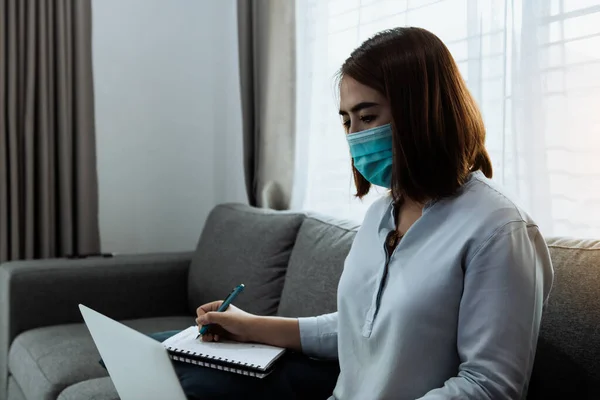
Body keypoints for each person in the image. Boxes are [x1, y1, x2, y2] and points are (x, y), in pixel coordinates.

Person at [163, 27, 554, 400]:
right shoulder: (381, 214)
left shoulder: (499, 230)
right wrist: (250, 326)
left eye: (367, 118)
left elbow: (490, 387)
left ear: (422, 113)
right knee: (172, 367)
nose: (355, 136)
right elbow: (359, 331)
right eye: (347, 121)